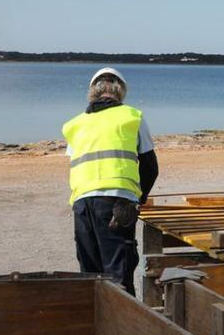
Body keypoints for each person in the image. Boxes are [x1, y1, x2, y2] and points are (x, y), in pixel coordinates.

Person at [61, 67, 159, 295]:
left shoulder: (75, 124)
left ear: (92, 92)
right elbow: (150, 167)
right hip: (118, 201)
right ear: (121, 91)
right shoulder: (132, 117)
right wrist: (139, 198)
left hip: (83, 202)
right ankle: (123, 327)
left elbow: (76, 162)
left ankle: (96, 324)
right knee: (119, 272)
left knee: (90, 273)